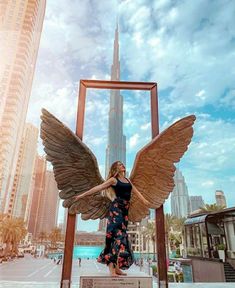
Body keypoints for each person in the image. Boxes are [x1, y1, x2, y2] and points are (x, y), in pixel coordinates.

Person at [74, 161, 150, 276]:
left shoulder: (128, 180)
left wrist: (144, 201)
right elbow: (99, 187)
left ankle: (117, 266)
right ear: (116, 168)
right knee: (117, 237)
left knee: (122, 239)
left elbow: (136, 192)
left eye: (122, 164)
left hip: (125, 211)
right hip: (116, 210)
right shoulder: (113, 180)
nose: (122, 165)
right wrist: (83, 195)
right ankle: (111, 267)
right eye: (119, 164)